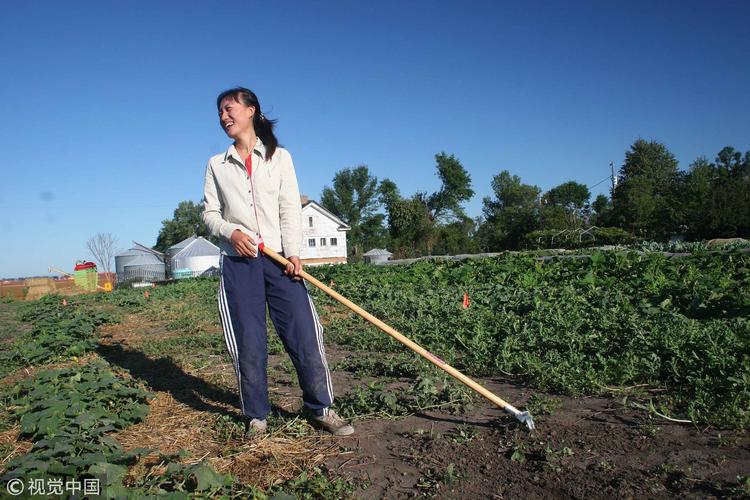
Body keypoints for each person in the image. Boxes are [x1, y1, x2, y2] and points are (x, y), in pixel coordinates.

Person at [202, 87, 353, 437]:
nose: (223, 117)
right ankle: (257, 416)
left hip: (280, 260)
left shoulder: (279, 158)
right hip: (240, 264)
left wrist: (295, 253)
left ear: (251, 110)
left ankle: (321, 407)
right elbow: (210, 214)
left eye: (229, 109)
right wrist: (230, 232)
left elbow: (289, 208)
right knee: (249, 340)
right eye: (220, 113)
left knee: (303, 332)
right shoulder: (216, 165)